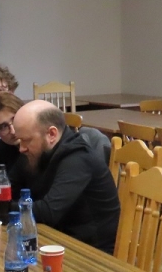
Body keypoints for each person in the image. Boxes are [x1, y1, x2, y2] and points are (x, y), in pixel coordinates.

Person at [12, 100, 120, 253]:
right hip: (57, 238)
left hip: (92, 252)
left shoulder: (78, 158)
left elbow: (48, 212)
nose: (21, 148)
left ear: (52, 134)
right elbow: (10, 187)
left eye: (26, 140)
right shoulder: (36, 152)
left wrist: (2, 207)